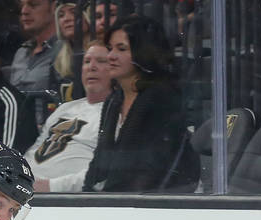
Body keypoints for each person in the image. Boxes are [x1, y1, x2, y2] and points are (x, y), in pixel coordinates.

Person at [82, 15, 198, 192]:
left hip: (158, 199)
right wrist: (87, 195)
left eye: (121, 49)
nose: (111, 56)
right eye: (110, 48)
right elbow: (100, 160)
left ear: (143, 52)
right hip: (115, 199)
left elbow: (151, 169)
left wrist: (110, 202)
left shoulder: (161, 98)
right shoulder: (114, 100)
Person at [29, 41, 110, 192]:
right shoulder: (64, 109)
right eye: (87, 61)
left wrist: (51, 186)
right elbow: (34, 151)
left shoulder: (115, 115)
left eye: (101, 61)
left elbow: (103, 176)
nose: (91, 67)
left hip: (67, 199)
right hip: (26, 192)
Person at [9, 0, 60, 95]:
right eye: (21, 6)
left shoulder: (65, 51)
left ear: (54, 7)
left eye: (33, 5)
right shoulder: (20, 53)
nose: (24, 11)